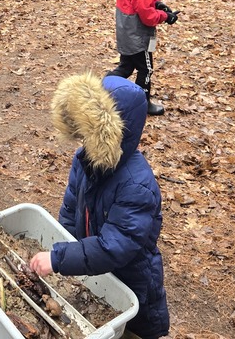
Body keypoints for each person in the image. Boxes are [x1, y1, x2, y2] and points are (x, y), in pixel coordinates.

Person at [29, 73, 170, 339]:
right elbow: (71, 206)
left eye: (91, 132)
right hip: (92, 265)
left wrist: (59, 259)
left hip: (132, 277)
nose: (83, 139)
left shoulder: (136, 186)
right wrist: (64, 242)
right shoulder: (85, 159)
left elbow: (115, 246)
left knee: (136, 329)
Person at [109, 0, 177, 116]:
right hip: (139, 38)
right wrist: (165, 16)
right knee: (145, 69)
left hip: (126, 34)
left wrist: (157, 3)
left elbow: (143, 2)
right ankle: (143, 104)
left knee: (126, 67)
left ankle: (104, 87)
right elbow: (147, 16)